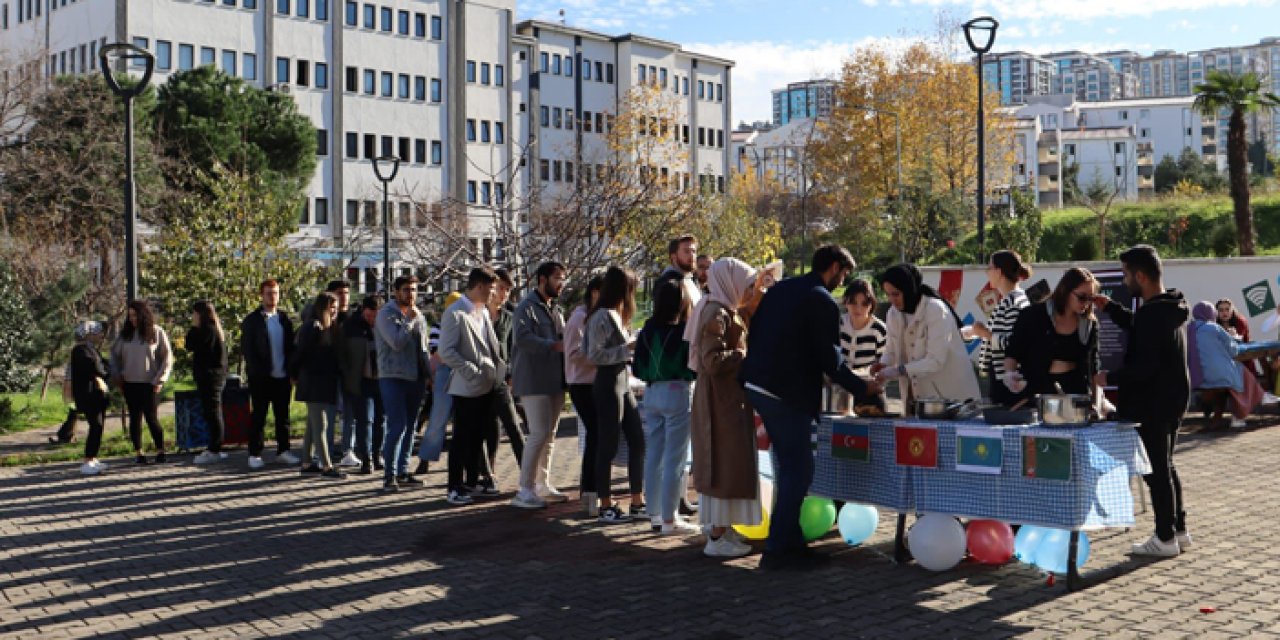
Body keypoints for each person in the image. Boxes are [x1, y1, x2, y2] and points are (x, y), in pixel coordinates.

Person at [740, 246, 879, 570]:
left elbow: (759, 331)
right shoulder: (821, 300)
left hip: (758, 383)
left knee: (790, 469)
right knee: (799, 470)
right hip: (784, 393)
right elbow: (830, 359)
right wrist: (862, 388)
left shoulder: (784, 288)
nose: (841, 283)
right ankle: (777, 550)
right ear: (833, 267)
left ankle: (791, 540)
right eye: (842, 275)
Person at [1093, 245, 1191, 557]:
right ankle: (1178, 530)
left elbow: (1144, 365)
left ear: (1141, 276)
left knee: (1155, 471)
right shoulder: (1167, 306)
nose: (1124, 281)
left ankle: (1164, 538)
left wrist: (1110, 378)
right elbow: (1140, 327)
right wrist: (1109, 307)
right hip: (1173, 399)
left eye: (1125, 274)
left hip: (1154, 402)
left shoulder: (1152, 314)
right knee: (1166, 466)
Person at [688, 258, 761, 556]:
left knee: (728, 463)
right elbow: (712, 360)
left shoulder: (722, 309)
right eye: (746, 285)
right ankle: (717, 536)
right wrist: (743, 354)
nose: (748, 291)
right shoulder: (716, 313)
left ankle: (723, 530)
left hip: (724, 400)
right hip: (719, 403)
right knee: (723, 462)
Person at [439, 267, 505, 506]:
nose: (493, 294)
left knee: (478, 437)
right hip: (466, 388)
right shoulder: (455, 313)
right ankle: (454, 487)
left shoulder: (483, 312)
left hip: (487, 385)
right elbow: (446, 351)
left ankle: (472, 481)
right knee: (461, 439)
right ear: (478, 287)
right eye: (489, 289)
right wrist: (472, 371)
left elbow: (491, 346)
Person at [635, 278, 697, 533]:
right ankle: (671, 519)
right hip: (677, 392)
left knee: (654, 456)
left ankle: (656, 515)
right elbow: (691, 367)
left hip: (651, 394)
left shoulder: (646, 330)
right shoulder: (683, 330)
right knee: (675, 459)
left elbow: (637, 367)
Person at [873, 263, 981, 406]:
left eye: (896, 294)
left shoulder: (935, 309)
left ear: (908, 289)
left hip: (951, 397)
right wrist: (883, 365)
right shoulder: (893, 313)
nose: (891, 300)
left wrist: (898, 371)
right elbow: (891, 350)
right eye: (888, 294)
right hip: (916, 398)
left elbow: (935, 360)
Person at [587, 266, 646, 524]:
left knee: (637, 440)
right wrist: (628, 347)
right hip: (609, 382)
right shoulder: (601, 316)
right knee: (607, 445)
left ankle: (637, 500)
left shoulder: (614, 314)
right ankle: (606, 505)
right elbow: (593, 354)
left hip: (622, 381)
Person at [510, 261, 569, 509]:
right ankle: (525, 488)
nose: (562, 283)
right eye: (557, 278)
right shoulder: (526, 307)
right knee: (538, 434)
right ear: (542, 280)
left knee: (550, 435)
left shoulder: (555, 308)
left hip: (554, 380)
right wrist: (553, 346)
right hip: (533, 380)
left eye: (563, 278)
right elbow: (522, 339)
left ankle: (542, 483)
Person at [1003, 267, 1100, 399]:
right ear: (1065, 291)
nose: (1087, 304)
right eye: (1082, 297)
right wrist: (1010, 374)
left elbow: (1093, 366)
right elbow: (1013, 351)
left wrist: (1096, 401)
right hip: (1037, 391)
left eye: (1091, 298)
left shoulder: (1089, 323)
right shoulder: (1033, 315)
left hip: (1075, 392)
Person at [375, 275, 430, 493]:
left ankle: (403, 471)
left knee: (410, 428)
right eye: (406, 290)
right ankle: (389, 476)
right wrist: (409, 320)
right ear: (396, 292)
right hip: (393, 376)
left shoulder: (419, 315)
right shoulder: (386, 315)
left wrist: (429, 377)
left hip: (415, 378)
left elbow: (423, 349)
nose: (411, 294)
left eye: (415, 290)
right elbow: (396, 342)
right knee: (396, 426)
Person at [241, 279, 300, 469]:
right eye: (269, 293)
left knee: (283, 417)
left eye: (275, 292)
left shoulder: (284, 319)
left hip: (282, 377)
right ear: (261, 295)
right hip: (261, 378)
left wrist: (292, 372)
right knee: (259, 416)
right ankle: (255, 453)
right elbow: (248, 350)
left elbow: (291, 348)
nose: (272, 296)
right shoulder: (252, 321)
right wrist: (255, 373)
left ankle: (283, 451)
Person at [479, 267, 525, 495]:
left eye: (508, 289)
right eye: (501, 288)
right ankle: (487, 474)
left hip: (500, 380)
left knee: (513, 427)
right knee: (484, 430)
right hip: (478, 380)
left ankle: (528, 475)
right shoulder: (477, 314)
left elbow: (512, 349)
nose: (505, 293)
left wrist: (511, 375)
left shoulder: (508, 317)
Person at [111, 300, 173, 465]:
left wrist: (159, 379)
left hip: (150, 384)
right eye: (130, 316)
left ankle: (160, 450)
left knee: (152, 418)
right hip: (130, 383)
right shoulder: (125, 335)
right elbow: (114, 357)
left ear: (143, 314)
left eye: (135, 315)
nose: (133, 319)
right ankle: (139, 452)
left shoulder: (156, 332)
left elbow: (167, 357)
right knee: (135, 419)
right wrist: (118, 376)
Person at [292, 292, 346, 480]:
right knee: (321, 424)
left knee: (311, 425)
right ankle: (327, 466)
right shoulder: (313, 327)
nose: (335, 311)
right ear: (323, 307)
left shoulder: (327, 328)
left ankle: (307, 462)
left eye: (336, 308)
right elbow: (301, 353)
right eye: (332, 307)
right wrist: (294, 374)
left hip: (322, 381)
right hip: (314, 381)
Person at [969, 250, 1031, 405]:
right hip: (1005, 377)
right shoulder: (1011, 299)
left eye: (989, 268)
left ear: (999, 271)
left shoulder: (1013, 301)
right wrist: (976, 333)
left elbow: (1014, 343)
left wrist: (985, 334)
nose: (987, 273)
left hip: (1008, 380)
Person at [565, 275, 604, 515]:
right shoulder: (579, 318)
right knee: (595, 433)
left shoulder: (597, 316)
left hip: (594, 382)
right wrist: (604, 357)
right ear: (594, 292)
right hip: (581, 383)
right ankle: (589, 490)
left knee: (598, 435)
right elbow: (574, 353)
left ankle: (592, 489)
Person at [415, 291, 463, 476]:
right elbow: (437, 352)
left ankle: (463, 462)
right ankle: (425, 459)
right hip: (445, 371)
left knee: (463, 421)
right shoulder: (438, 326)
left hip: (462, 372)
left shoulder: (468, 323)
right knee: (438, 418)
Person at [339, 295, 386, 475]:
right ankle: (366, 459)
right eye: (369, 316)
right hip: (361, 379)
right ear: (363, 312)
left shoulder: (386, 325)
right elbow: (343, 354)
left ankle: (377, 455)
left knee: (381, 420)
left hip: (382, 379)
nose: (372, 320)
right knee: (365, 420)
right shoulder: (351, 326)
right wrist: (348, 375)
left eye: (376, 316)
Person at [1189, 301, 1252, 429]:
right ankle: (1238, 416)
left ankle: (1212, 411)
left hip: (1194, 377)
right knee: (1237, 374)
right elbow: (1234, 350)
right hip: (1217, 376)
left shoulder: (1188, 328)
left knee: (1222, 382)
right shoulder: (1215, 328)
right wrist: (1233, 337)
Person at [188, 301, 230, 465]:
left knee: (212, 412)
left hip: (210, 377)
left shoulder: (205, 331)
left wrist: (193, 327)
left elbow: (189, 343)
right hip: (215, 376)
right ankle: (215, 446)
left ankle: (215, 448)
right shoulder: (215, 330)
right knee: (213, 411)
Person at [838, 279, 888, 413]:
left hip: (869, 389)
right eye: (853, 302)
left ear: (871, 304)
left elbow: (883, 363)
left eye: (864, 303)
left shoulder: (879, 329)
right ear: (845, 302)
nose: (858, 308)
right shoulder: (838, 325)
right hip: (841, 388)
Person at [68, 321, 110, 476]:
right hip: (88, 395)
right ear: (89, 334)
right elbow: (96, 368)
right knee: (96, 425)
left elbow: (104, 365)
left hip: (97, 395)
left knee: (98, 426)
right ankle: (87, 460)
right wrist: (104, 371)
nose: (101, 336)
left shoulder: (92, 349)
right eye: (98, 333)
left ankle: (93, 457)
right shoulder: (81, 350)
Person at [657, 235, 703, 306]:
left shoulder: (692, 280)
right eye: (686, 251)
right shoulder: (667, 284)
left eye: (694, 251)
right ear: (673, 256)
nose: (692, 255)